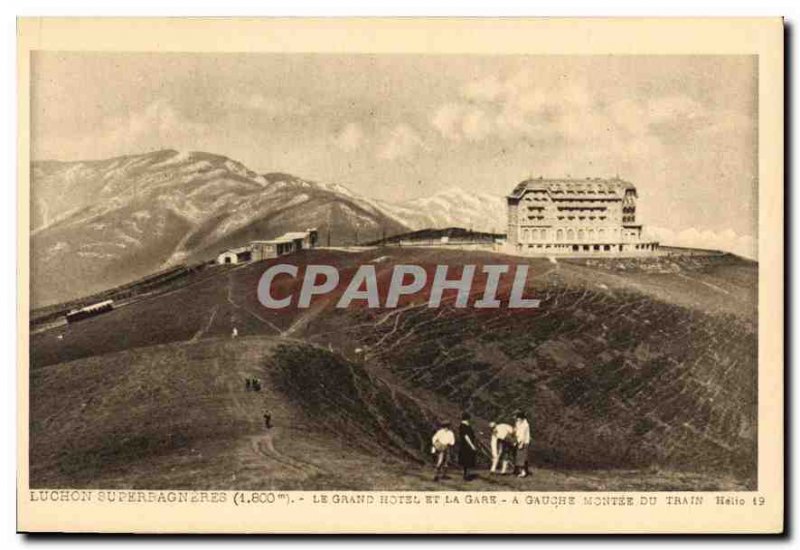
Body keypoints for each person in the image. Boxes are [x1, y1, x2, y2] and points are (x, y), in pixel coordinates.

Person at [458, 412, 478, 481]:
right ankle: (466, 475)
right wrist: (472, 445)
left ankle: (467, 474)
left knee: (468, 460)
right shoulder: (463, 426)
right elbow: (466, 436)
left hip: (466, 444)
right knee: (467, 459)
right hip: (466, 445)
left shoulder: (466, 425)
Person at [514, 410, 531, 478]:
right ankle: (521, 471)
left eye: (518, 417)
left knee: (522, 458)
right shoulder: (518, 423)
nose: (517, 419)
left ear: (521, 418)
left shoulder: (525, 425)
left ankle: (523, 472)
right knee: (520, 457)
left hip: (523, 442)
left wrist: (521, 443)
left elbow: (523, 435)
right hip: (519, 441)